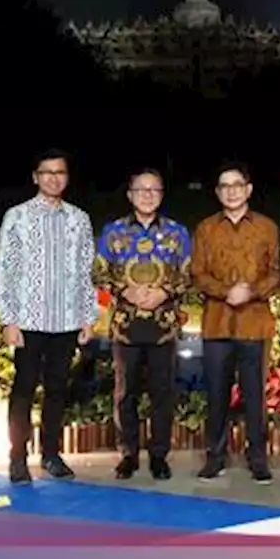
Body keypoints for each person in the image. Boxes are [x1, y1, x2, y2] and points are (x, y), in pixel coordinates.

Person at [0, 149, 99, 485]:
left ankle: (51, 454)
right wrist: (8, 319)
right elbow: (5, 270)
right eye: (47, 172)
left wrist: (87, 317)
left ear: (67, 178)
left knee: (57, 389)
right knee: (24, 388)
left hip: (66, 321)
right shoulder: (18, 217)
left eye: (60, 172)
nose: (54, 177)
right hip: (29, 320)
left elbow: (86, 272)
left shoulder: (78, 219)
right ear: (35, 177)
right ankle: (17, 458)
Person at [93, 168, 192, 481]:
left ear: (161, 195)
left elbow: (189, 273)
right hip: (126, 326)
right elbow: (99, 273)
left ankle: (160, 455)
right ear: (130, 194)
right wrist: (126, 290)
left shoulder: (177, 233)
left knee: (163, 393)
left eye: (154, 190)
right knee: (126, 393)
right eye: (141, 190)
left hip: (164, 326)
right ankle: (128, 454)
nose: (148, 195)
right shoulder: (113, 232)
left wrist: (164, 291)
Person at [190, 162, 280, 484]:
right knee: (216, 394)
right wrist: (226, 292)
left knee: (255, 396)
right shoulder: (205, 229)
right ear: (217, 192)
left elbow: (278, 271)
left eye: (237, 184)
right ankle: (215, 456)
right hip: (217, 323)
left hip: (254, 324)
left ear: (248, 189)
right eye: (224, 186)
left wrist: (252, 292)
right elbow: (197, 273)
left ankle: (257, 457)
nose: (231, 191)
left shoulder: (267, 228)